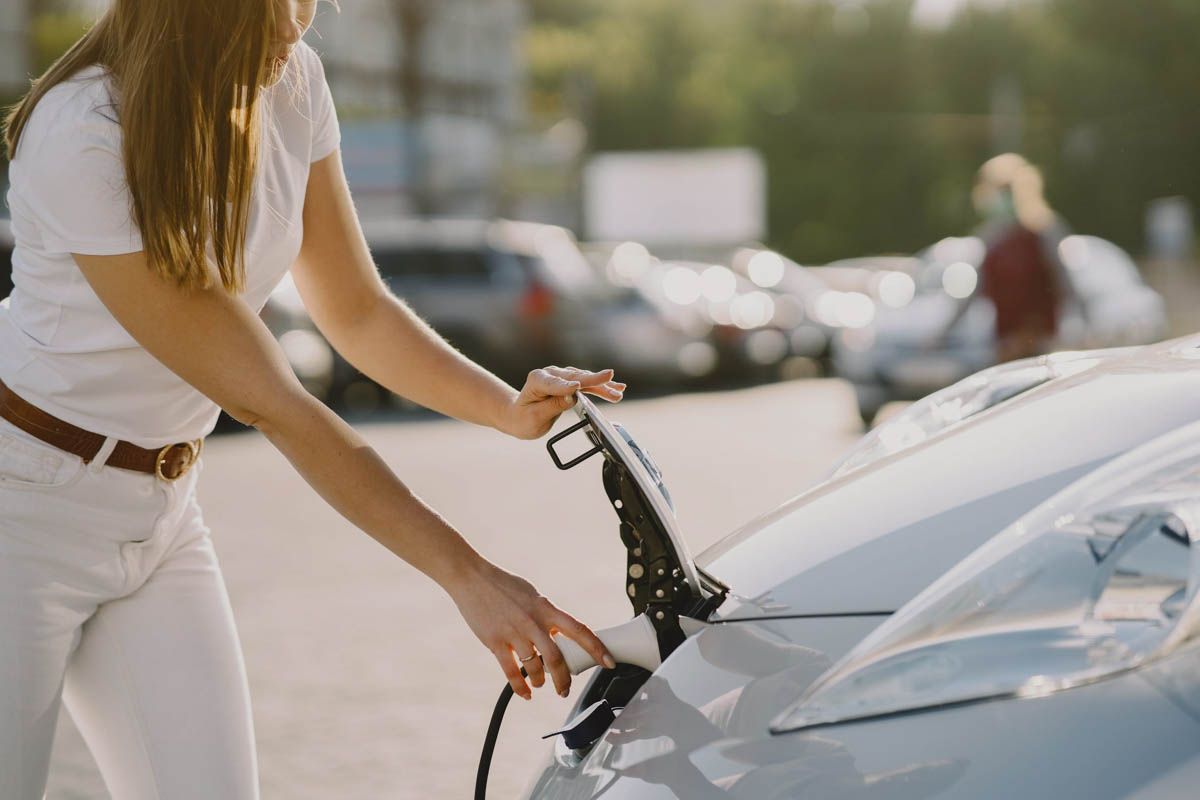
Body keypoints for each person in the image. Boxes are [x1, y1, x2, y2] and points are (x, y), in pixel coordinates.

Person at [0, 1, 624, 797]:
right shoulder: (80, 129)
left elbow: (356, 311)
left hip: (160, 508)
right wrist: (468, 576)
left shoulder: (291, 81)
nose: (296, 23)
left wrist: (505, 408)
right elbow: (276, 404)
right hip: (21, 507)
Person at [933, 153, 1072, 363]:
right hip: (1004, 346)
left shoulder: (1043, 231)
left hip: (1040, 345)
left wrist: (1030, 335)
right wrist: (942, 334)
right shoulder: (992, 236)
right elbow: (975, 290)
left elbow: (1063, 285)